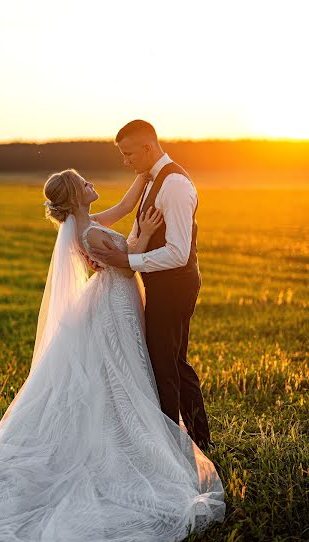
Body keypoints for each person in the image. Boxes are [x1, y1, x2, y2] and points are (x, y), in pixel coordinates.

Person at [0, 169, 225, 542]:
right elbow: (127, 266)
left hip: (117, 301)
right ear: (76, 196)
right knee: (120, 372)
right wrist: (141, 237)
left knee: (124, 372)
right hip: (115, 305)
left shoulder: (87, 225)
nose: (94, 184)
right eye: (86, 183)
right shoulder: (90, 233)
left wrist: (145, 177)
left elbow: (124, 213)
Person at [90, 120, 211, 450]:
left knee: (166, 366)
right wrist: (124, 250)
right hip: (162, 285)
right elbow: (136, 225)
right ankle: (196, 440)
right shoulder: (149, 179)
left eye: (128, 154)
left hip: (175, 286)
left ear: (147, 148)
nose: (125, 161)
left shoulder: (174, 185)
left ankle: (177, 445)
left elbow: (178, 252)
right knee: (171, 362)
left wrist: (128, 262)